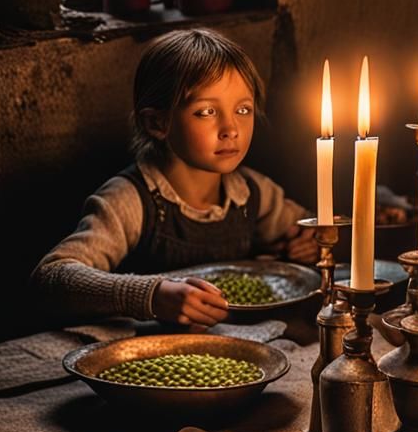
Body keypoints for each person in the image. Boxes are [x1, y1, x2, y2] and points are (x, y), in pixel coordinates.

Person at [32, 28, 317, 330]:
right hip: (147, 356)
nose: (231, 128)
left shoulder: (251, 191)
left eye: (243, 109)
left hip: (231, 353)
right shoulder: (130, 199)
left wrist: (305, 245)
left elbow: (312, 226)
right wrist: (152, 296)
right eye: (206, 111)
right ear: (157, 123)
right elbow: (51, 278)